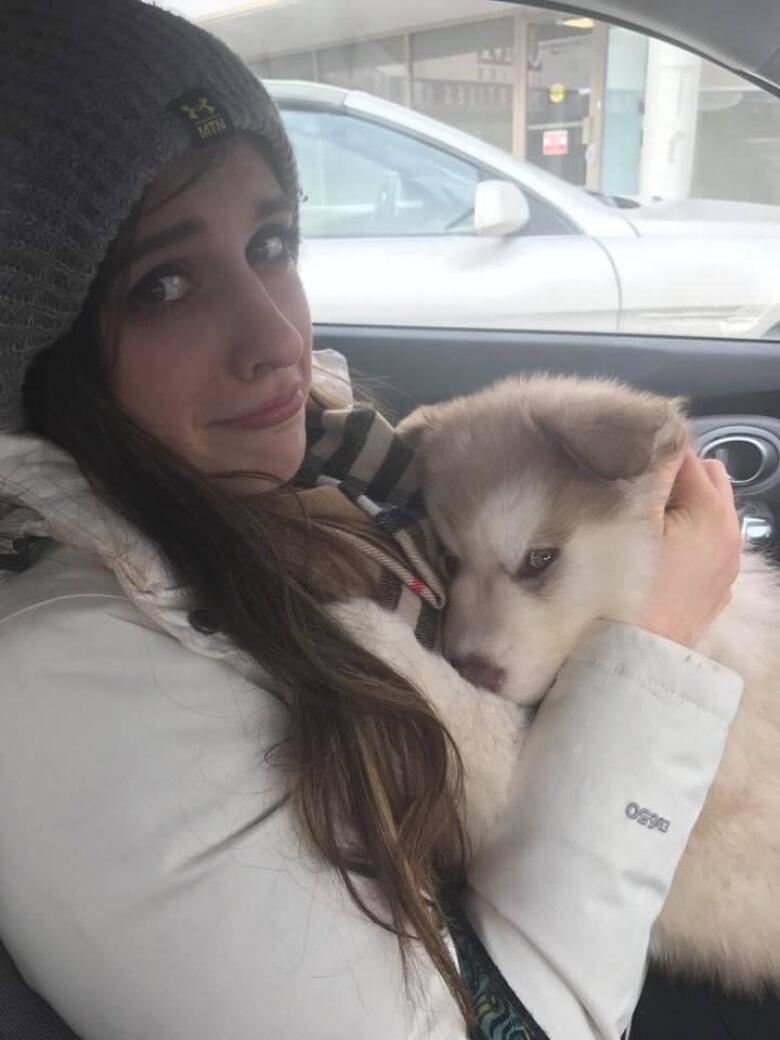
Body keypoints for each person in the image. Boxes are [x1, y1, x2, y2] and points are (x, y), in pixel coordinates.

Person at [0, 2, 743, 1039]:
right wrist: (654, 648)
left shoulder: (305, 471)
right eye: (162, 283)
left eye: (271, 242)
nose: (276, 338)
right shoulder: (69, 673)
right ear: (46, 345)